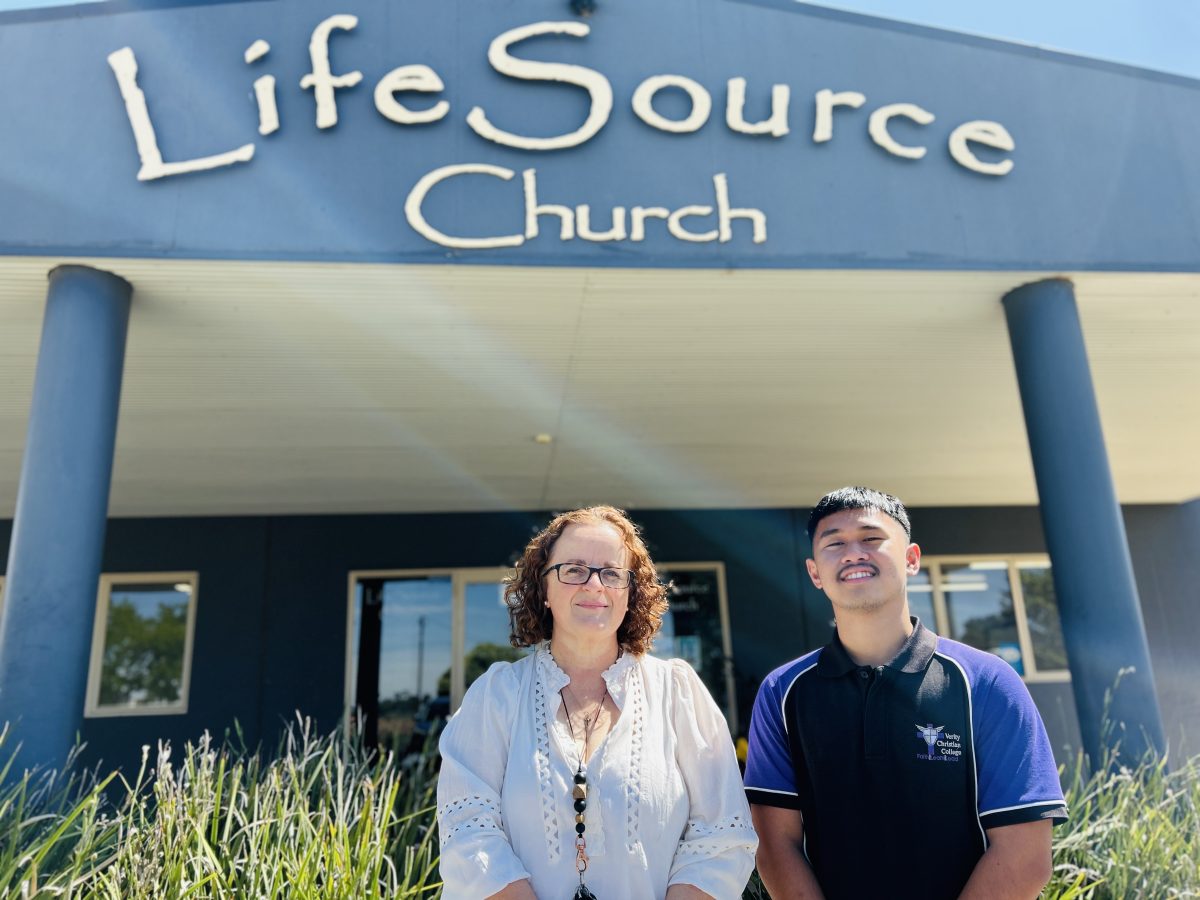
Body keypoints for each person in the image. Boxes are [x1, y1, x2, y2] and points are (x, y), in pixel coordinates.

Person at [745, 487, 1067, 900]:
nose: (853, 553)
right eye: (835, 543)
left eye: (871, 538)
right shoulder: (782, 693)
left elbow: (1025, 856)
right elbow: (775, 846)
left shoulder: (986, 682)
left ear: (911, 558)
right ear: (814, 572)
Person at [437, 506, 757, 899]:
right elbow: (469, 831)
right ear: (544, 589)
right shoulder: (496, 695)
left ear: (630, 593)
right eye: (573, 570)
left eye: (611, 572)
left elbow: (721, 836)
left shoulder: (678, 692)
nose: (594, 585)